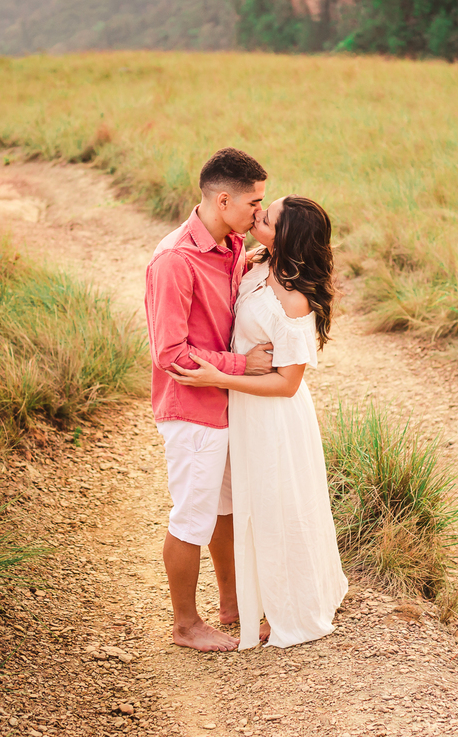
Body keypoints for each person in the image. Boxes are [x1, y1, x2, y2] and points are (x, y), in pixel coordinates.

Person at [168, 195, 349, 650]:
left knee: (276, 507)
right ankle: (243, 601)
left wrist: (217, 375)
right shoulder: (257, 261)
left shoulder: (295, 301)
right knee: (241, 506)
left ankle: (287, 607)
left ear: (283, 235)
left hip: (272, 417)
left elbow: (287, 383)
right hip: (241, 409)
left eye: (266, 217)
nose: (257, 216)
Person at [144, 147, 276, 652]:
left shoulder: (230, 246)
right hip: (192, 411)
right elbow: (170, 354)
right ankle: (184, 625)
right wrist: (244, 365)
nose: (259, 213)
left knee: (225, 509)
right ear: (224, 200)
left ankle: (232, 605)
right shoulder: (175, 260)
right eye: (254, 204)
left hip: (225, 405)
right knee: (192, 516)